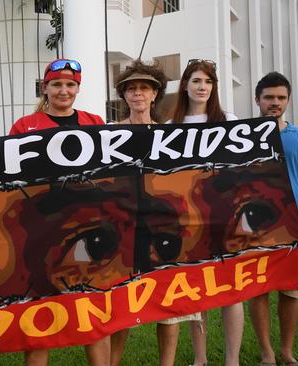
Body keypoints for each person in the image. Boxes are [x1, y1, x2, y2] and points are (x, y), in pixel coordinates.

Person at [9, 58, 109, 366]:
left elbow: (109, 172)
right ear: (45, 88)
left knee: (94, 312)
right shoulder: (25, 126)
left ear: (78, 89)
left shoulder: (94, 122)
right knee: (41, 315)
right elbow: (12, 175)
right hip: (42, 232)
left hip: (90, 230)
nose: (63, 91)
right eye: (56, 85)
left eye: (70, 85)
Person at [111, 60, 203, 366]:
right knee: (122, 304)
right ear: (123, 95)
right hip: (123, 228)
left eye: (144, 88)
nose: (138, 93)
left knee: (170, 303)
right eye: (132, 88)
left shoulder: (170, 134)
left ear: (155, 94)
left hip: (164, 227)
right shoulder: (108, 133)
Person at [169, 59, 241, 366]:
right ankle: (200, 359)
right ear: (185, 85)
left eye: (208, 82)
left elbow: (240, 170)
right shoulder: (171, 126)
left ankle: (232, 360)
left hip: (224, 215)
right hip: (188, 218)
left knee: (232, 290)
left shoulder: (229, 119)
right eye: (196, 81)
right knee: (197, 291)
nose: (202, 87)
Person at [249, 72, 298, 366]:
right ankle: (267, 354)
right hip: (257, 229)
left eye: (280, 98)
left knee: (292, 292)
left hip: (296, 225)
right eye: (268, 98)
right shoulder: (244, 136)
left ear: (287, 100)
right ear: (258, 100)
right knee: (259, 291)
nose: (274, 103)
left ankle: (286, 352)